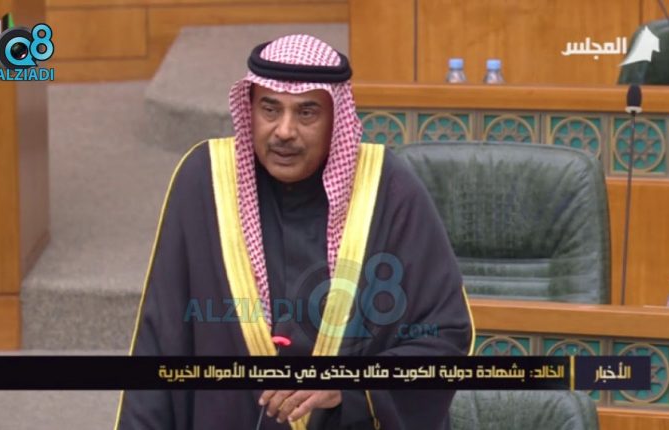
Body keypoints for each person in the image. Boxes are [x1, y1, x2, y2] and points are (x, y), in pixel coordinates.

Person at [115, 34, 474, 430]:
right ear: (249, 109)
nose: (284, 130)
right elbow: (162, 340)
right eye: (270, 109)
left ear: (336, 120)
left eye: (306, 113)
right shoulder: (206, 180)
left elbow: (446, 335)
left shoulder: (387, 188)